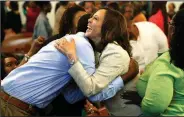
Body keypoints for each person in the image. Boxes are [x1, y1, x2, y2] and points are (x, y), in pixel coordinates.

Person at [0, 9, 135, 116]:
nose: (89, 19)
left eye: (95, 18)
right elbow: (91, 91)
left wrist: (78, 74)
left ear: (109, 27)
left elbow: (72, 95)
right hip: (10, 106)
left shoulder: (84, 45)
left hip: (11, 103)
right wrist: (124, 77)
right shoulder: (82, 45)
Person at [124, 9, 184, 116]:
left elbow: (155, 107)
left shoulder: (169, 62)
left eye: (170, 23)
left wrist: (141, 101)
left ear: (174, 30)